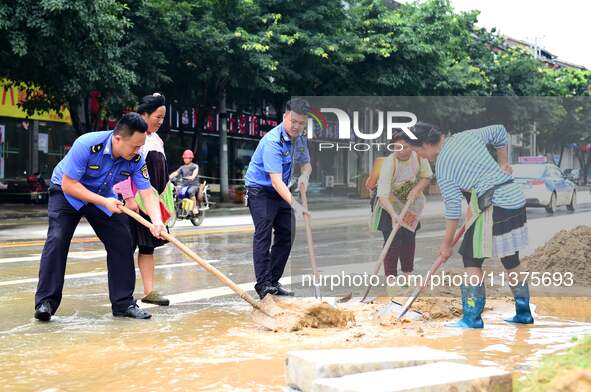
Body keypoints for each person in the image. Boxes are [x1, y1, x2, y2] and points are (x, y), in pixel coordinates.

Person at [34, 113, 164, 322]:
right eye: (134, 146)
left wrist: (156, 221)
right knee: (57, 239)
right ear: (117, 138)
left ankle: (123, 303)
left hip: (102, 196)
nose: (137, 151)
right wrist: (104, 202)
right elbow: (70, 185)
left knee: (123, 239)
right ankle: (45, 302)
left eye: (140, 147)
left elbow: (147, 192)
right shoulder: (86, 144)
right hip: (67, 193)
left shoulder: (137, 158)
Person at [409, 123, 533, 328]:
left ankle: (472, 318)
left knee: (471, 258)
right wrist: (503, 162)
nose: (421, 157)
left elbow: (452, 210)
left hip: (495, 204)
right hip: (513, 197)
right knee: (511, 258)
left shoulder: (443, 166)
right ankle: (524, 313)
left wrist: (446, 245)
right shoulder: (466, 134)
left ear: (425, 145)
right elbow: (500, 131)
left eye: (418, 151)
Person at [244, 98, 312, 299]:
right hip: (260, 191)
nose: (297, 126)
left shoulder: (299, 140)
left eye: (301, 123)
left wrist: (305, 176)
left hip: (281, 190)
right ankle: (263, 285)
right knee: (263, 233)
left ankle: (273, 281)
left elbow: (306, 164)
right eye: (293, 121)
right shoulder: (272, 141)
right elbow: (275, 181)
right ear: (285, 117)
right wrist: (297, 206)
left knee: (287, 232)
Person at [114, 93, 171, 306]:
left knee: (148, 246)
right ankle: (122, 296)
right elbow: (120, 170)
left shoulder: (156, 139)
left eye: (163, 118)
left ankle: (149, 291)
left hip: (150, 203)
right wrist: (129, 198)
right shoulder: (135, 138)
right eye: (157, 116)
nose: (160, 121)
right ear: (143, 114)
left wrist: (164, 203)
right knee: (125, 248)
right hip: (132, 203)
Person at [375, 131, 432, 279]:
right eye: (397, 147)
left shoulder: (419, 157)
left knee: (408, 239)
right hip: (389, 206)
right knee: (392, 242)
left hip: (409, 206)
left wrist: (416, 189)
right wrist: (394, 215)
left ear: (412, 146)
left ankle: (407, 275)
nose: (402, 151)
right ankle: (391, 279)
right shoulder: (389, 163)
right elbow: (382, 195)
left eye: (406, 147)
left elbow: (427, 177)